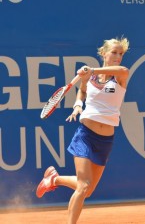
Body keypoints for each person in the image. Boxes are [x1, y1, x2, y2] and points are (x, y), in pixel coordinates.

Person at [36, 37, 130, 224]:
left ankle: (54, 180)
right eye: (114, 52)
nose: (118, 56)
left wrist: (92, 69)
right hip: (85, 136)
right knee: (83, 186)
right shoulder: (89, 77)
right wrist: (78, 105)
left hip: (106, 141)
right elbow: (83, 91)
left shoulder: (120, 77)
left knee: (88, 189)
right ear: (104, 53)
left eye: (121, 53)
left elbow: (123, 70)